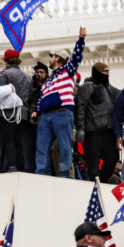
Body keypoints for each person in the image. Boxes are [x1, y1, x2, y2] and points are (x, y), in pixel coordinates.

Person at [32, 28, 86, 178]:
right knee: (41, 147)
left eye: (52, 56)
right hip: (46, 116)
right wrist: (36, 109)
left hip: (62, 113)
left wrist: (81, 40)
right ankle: (40, 173)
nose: (50, 59)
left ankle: (64, 175)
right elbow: (43, 96)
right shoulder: (49, 79)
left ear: (58, 59)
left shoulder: (68, 71)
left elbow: (76, 57)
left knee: (64, 146)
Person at [75, 62, 119, 182]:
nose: (107, 74)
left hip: (108, 132)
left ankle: (102, 181)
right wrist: (80, 128)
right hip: (92, 132)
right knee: (93, 164)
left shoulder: (111, 89)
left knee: (112, 159)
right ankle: (95, 185)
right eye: (104, 71)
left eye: (108, 71)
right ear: (97, 72)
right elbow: (81, 107)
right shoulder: (87, 87)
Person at [0, 49, 34, 173]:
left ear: (6, 61)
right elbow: (29, 97)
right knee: (18, 141)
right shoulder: (28, 78)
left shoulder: (4, 74)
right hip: (22, 114)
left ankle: (12, 166)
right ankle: (21, 167)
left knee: (9, 140)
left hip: (8, 114)